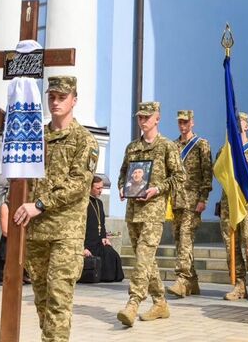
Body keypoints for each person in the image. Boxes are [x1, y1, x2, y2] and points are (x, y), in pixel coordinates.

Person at [13, 76, 99, 341]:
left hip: (66, 232)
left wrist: (40, 204)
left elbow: (77, 185)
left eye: (62, 97)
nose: (55, 102)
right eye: (52, 96)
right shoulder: (37, 136)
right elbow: (21, 172)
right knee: (42, 299)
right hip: (36, 232)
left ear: (74, 100)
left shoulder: (85, 141)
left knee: (59, 299)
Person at [116, 101, 186, 327]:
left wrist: (157, 189)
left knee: (144, 257)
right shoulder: (132, 147)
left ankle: (133, 302)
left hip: (153, 212)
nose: (143, 121)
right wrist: (121, 187)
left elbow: (179, 177)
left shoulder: (166, 146)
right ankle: (160, 302)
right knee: (145, 259)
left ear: (157, 119)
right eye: (140, 117)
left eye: (147, 117)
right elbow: (123, 173)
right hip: (133, 211)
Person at [218, 112, 248, 301]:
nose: (237, 126)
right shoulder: (225, 152)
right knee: (231, 244)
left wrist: (242, 184)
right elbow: (220, 173)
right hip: (229, 203)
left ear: (246, 126)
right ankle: (238, 284)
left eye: (240, 123)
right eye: (233, 123)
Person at [167, 110, 212, 298]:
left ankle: (182, 279)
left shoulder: (201, 145)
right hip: (176, 200)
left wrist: (204, 198)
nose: (182, 125)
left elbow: (207, 173)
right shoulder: (173, 145)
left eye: (186, 122)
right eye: (180, 122)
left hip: (192, 200)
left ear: (192, 122)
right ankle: (192, 281)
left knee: (186, 237)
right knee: (179, 240)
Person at [84, 176, 123, 282]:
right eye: (98, 188)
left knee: (112, 255)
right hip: (87, 243)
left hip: (98, 242)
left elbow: (102, 223)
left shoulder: (99, 203)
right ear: (89, 187)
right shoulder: (83, 203)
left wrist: (105, 238)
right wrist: (82, 247)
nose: (101, 191)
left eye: (102, 188)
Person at [0, 197, 31, 284]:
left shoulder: (28, 206)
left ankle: (23, 273)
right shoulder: (6, 206)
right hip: (10, 239)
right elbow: (5, 231)